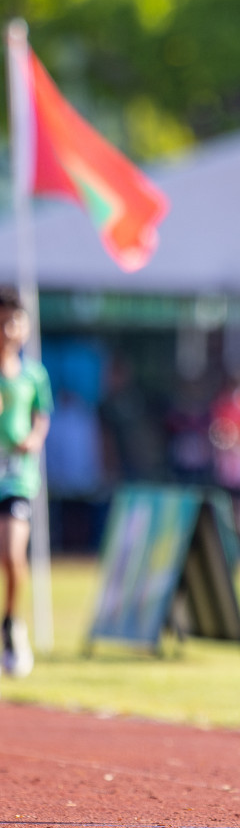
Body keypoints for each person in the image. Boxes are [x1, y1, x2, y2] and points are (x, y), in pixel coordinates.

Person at [0, 288, 51, 678]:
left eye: (15, 321)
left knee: (12, 553)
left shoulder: (34, 374)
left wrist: (33, 439)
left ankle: (12, 623)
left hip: (16, 477)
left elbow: (41, 415)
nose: (9, 328)